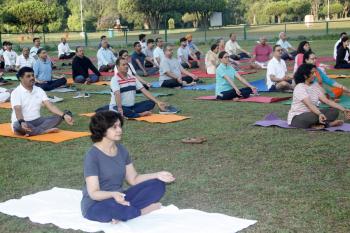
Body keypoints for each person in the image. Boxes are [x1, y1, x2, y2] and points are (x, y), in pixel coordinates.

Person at [81, 110, 175, 223]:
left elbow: (133, 179)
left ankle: (126, 212)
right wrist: (113, 194)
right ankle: (140, 211)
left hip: (120, 197)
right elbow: (94, 193)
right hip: (97, 204)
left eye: (120, 126)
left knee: (157, 184)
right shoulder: (92, 155)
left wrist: (157, 175)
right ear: (102, 129)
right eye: (114, 127)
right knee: (112, 207)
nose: (119, 130)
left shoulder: (121, 150)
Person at [10, 67, 74, 136]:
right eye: (28, 76)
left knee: (65, 114)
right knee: (17, 125)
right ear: (21, 78)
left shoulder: (39, 90)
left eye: (32, 75)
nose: (32, 78)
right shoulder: (16, 92)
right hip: (23, 121)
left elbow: (50, 106)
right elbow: (18, 110)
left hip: (38, 120)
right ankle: (42, 131)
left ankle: (32, 131)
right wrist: (22, 122)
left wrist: (64, 115)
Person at [288, 63, 350, 129]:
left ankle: (322, 124)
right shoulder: (300, 87)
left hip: (313, 113)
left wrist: (344, 110)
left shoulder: (315, 85)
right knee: (313, 116)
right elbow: (310, 105)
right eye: (312, 73)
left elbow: (327, 101)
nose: (315, 75)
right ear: (305, 75)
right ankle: (323, 124)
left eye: (315, 72)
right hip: (298, 117)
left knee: (334, 111)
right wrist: (319, 114)